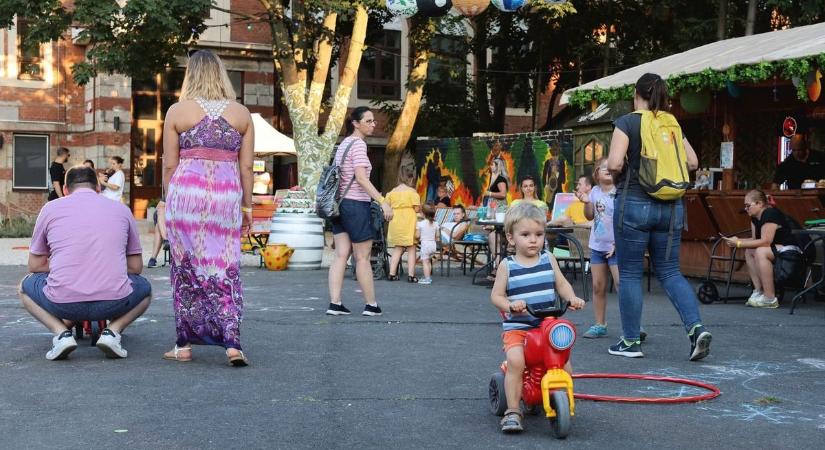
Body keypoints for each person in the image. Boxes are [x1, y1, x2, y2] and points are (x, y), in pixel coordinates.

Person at [607, 72, 711, 361]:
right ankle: (695, 329)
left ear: (635, 93)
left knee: (629, 273)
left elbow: (615, 162)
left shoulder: (627, 122)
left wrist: (623, 164)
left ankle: (630, 342)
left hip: (635, 205)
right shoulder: (672, 123)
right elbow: (692, 161)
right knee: (670, 272)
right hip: (672, 207)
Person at [162, 50, 254, 366]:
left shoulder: (177, 111)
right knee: (224, 265)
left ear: (191, 75)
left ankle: (184, 345)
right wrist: (247, 209)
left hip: (185, 195)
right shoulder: (242, 114)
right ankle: (232, 344)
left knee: (186, 267)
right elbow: (246, 169)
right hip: (225, 198)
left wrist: (166, 203)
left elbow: (170, 165)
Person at [18, 165, 152, 360]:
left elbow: (35, 266)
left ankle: (61, 334)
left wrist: (66, 264)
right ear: (98, 188)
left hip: (63, 303)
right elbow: (136, 268)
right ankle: (112, 332)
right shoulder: (122, 210)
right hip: (113, 302)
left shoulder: (50, 209)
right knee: (146, 290)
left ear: (65, 190)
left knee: (23, 288)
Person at [489, 203, 585, 433]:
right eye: (526, 235)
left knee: (564, 361)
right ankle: (513, 411)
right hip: (519, 327)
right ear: (511, 238)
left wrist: (571, 298)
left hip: (546, 325)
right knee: (516, 362)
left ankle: (558, 395)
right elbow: (496, 296)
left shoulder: (548, 259)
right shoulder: (507, 266)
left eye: (539, 234)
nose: (533, 240)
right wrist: (511, 305)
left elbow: (561, 284)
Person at [326, 106, 392, 317]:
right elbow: (362, 178)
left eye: (373, 121)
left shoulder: (343, 144)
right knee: (362, 257)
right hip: (356, 205)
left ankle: (335, 303)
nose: (373, 124)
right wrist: (382, 200)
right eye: (369, 121)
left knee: (340, 256)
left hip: (339, 205)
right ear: (356, 123)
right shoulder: (359, 145)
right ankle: (371, 305)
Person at [721, 190, 801, 308]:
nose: (746, 209)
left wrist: (738, 244)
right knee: (750, 250)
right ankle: (758, 291)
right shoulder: (754, 218)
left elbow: (766, 241)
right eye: (745, 206)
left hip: (789, 250)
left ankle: (770, 298)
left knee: (760, 251)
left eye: (748, 206)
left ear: (759, 204)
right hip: (775, 248)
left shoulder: (770, 213)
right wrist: (736, 240)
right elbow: (755, 239)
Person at [581, 158, 620, 338]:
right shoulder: (595, 192)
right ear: (596, 173)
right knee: (598, 286)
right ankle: (599, 324)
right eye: (603, 167)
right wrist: (586, 201)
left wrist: (618, 243)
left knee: (622, 284)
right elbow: (589, 216)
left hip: (616, 246)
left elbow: (624, 220)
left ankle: (633, 323)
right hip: (597, 245)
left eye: (610, 166)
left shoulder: (619, 192)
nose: (607, 169)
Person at [386, 166, 421, 283]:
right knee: (411, 248)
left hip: (396, 222)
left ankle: (392, 273)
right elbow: (416, 209)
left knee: (398, 247)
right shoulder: (412, 192)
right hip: (409, 222)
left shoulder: (391, 193)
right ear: (410, 179)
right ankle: (411, 275)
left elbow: (387, 206)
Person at [484, 158, 510, 280]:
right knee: (492, 234)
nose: (490, 166)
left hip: (500, 209)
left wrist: (489, 194)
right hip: (494, 208)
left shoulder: (500, 179)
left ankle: (498, 265)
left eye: (492, 164)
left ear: (498, 166)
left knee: (494, 234)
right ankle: (498, 264)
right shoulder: (493, 178)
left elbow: (503, 194)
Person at [416, 204, 439, 285]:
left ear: (422, 213)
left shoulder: (420, 224)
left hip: (425, 245)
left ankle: (427, 279)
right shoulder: (436, 223)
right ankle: (428, 276)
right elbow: (437, 236)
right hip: (433, 245)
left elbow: (417, 236)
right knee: (428, 261)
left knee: (425, 262)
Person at [147, 198, 168, 268]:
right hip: (165, 218)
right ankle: (165, 240)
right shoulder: (171, 191)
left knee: (158, 225)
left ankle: (153, 258)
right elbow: (157, 207)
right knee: (160, 212)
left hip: (176, 219)